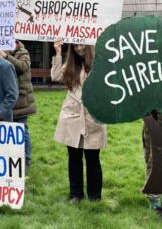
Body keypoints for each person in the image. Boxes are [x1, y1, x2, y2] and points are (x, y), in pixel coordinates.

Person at [51, 39, 107, 202]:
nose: (79, 48)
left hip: (92, 117)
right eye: (75, 46)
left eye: (82, 44)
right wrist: (58, 53)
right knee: (74, 158)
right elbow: (55, 76)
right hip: (72, 117)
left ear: (89, 45)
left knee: (92, 159)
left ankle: (94, 196)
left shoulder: (99, 64)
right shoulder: (70, 65)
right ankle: (75, 195)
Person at [0, 40, 37, 167]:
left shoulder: (22, 51)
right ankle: (10, 158)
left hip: (21, 100)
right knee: (7, 131)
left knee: (22, 130)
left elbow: (22, 67)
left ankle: (26, 160)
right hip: (5, 100)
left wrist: (6, 57)